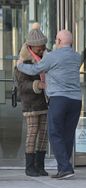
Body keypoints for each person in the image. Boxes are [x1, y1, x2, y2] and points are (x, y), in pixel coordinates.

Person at [17, 30, 82, 180]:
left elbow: (35, 69)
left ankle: (65, 168)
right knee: (67, 134)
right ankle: (64, 167)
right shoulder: (76, 57)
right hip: (76, 100)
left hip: (59, 99)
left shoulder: (52, 57)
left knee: (55, 133)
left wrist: (20, 65)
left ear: (58, 41)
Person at [15, 23, 49, 177]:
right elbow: (22, 85)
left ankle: (40, 166)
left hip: (45, 102)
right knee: (32, 133)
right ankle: (29, 167)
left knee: (43, 134)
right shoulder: (23, 62)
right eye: (39, 48)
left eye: (43, 47)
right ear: (30, 47)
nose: (41, 50)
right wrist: (38, 84)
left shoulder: (46, 58)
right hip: (31, 103)